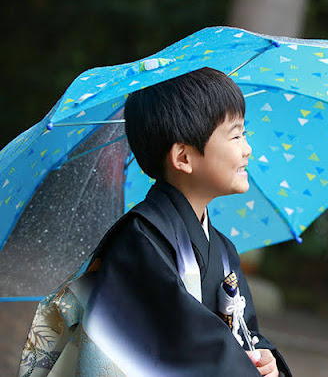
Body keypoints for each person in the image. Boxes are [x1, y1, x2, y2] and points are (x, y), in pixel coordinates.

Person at [18, 68, 290, 376]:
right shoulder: (140, 240)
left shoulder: (223, 250)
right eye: (236, 135)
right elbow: (181, 341)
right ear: (183, 158)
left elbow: (244, 333)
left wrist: (264, 360)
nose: (247, 148)